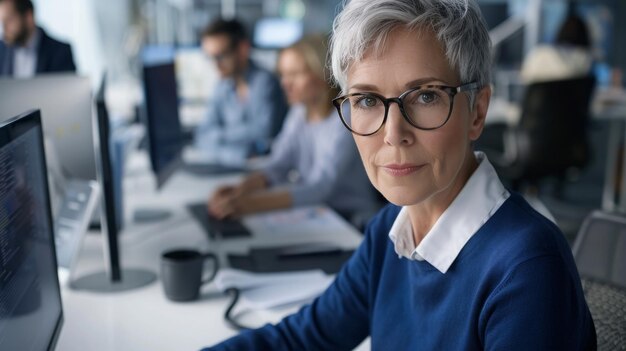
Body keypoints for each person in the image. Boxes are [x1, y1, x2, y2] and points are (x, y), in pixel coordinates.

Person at [202, 0, 596, 350]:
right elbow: (303, 338)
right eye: (368, 100)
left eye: (426, 96)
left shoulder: (526, 268)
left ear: (477, 111)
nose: (393, 135)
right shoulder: (389, 231)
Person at [208, 35, 379, 221]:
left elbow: (320, 187)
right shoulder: (299, 112)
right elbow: (278, 164)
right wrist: (240, 190)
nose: (284, 83)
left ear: (323, 74)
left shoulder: (346, 116)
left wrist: (247, 205)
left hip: (350, 219)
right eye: (283, 74)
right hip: (315, 213)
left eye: (295, 74)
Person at [194, 18, 288, 163]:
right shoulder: (222, 86)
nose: (215, 65)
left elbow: (263, 132)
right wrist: (240, 154)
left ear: (243, 49)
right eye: (210, 58)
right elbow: (202, 135)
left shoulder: (265, 82)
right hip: (237, 164)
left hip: (265, 167)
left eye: (220, 56)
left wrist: (218, 137)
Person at [0, 0, 76, 77]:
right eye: (2, 22)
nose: (4, 28)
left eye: (10, 20)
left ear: (28, 17)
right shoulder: (1, 51)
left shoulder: (60, 52)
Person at [520, 11, 593, 83]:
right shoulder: (585, 58)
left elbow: (525, 79)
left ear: (561, 31)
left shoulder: (540, 53)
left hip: (540, 94)